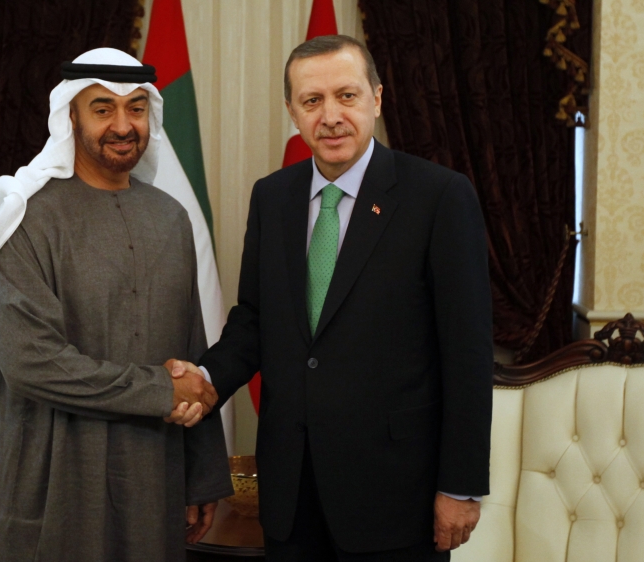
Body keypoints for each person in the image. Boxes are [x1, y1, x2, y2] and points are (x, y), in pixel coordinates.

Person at [190, 35, 494, 561]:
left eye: (346, 96)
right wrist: (205, 379)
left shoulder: (439, 197)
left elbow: (467, 353)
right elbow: (254, 320)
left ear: (377, 97)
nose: (330, 116)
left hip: (398, 499)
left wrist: (461, 487)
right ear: (292, 111)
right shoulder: (273, 197)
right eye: (312, 101)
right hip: (291, 494)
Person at [0, 48, 233, 562]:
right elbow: (32, 364)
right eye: (102, 109)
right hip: (53, 480)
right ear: (70, 114)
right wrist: (163, 388)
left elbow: (191, 349)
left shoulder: (170, 218)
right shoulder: (26, 216)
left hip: (153, 477)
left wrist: (202, 477)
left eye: (136, 108)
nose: (122, 124)